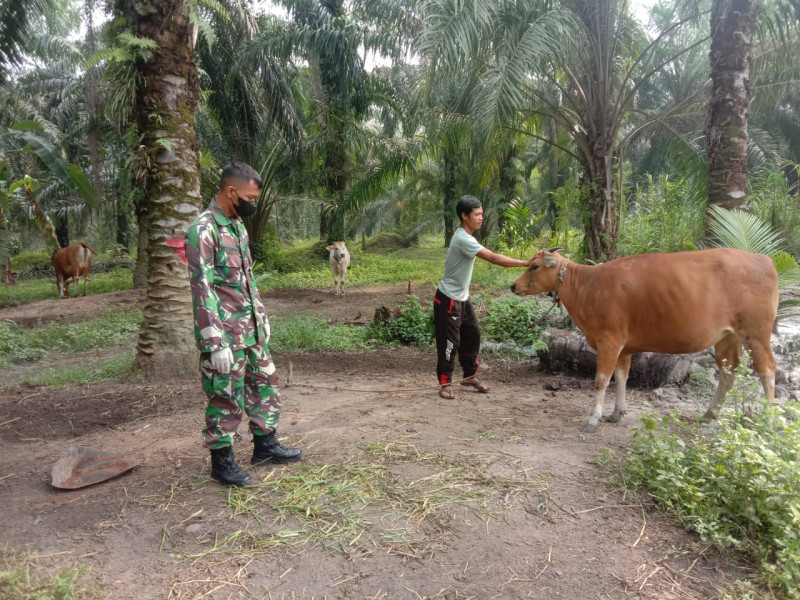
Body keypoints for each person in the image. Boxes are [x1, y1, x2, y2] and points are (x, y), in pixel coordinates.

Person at [185, 162, 301, 487]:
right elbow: (202, 287)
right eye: (249, 197)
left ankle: (266, 446)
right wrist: (213, 341)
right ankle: (222, 463)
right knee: (225, 396)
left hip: (249, 331)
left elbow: (247, 280)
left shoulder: (237, 226)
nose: (253, 203)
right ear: (231, 191)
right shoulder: (203, 229)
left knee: (266, 383)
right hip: (224, 335)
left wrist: (260, 317)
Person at [434, 195, 532, 400]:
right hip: (449, 299)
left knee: (473, 335)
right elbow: (494, 259)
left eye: (482, 214)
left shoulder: (467, 236)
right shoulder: (463, 238)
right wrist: (526, 263)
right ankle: (445, 382)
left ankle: (470, 376)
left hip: (462, 297)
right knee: (450, 343)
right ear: (464, 215)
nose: (481, 218)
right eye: (477, 214)